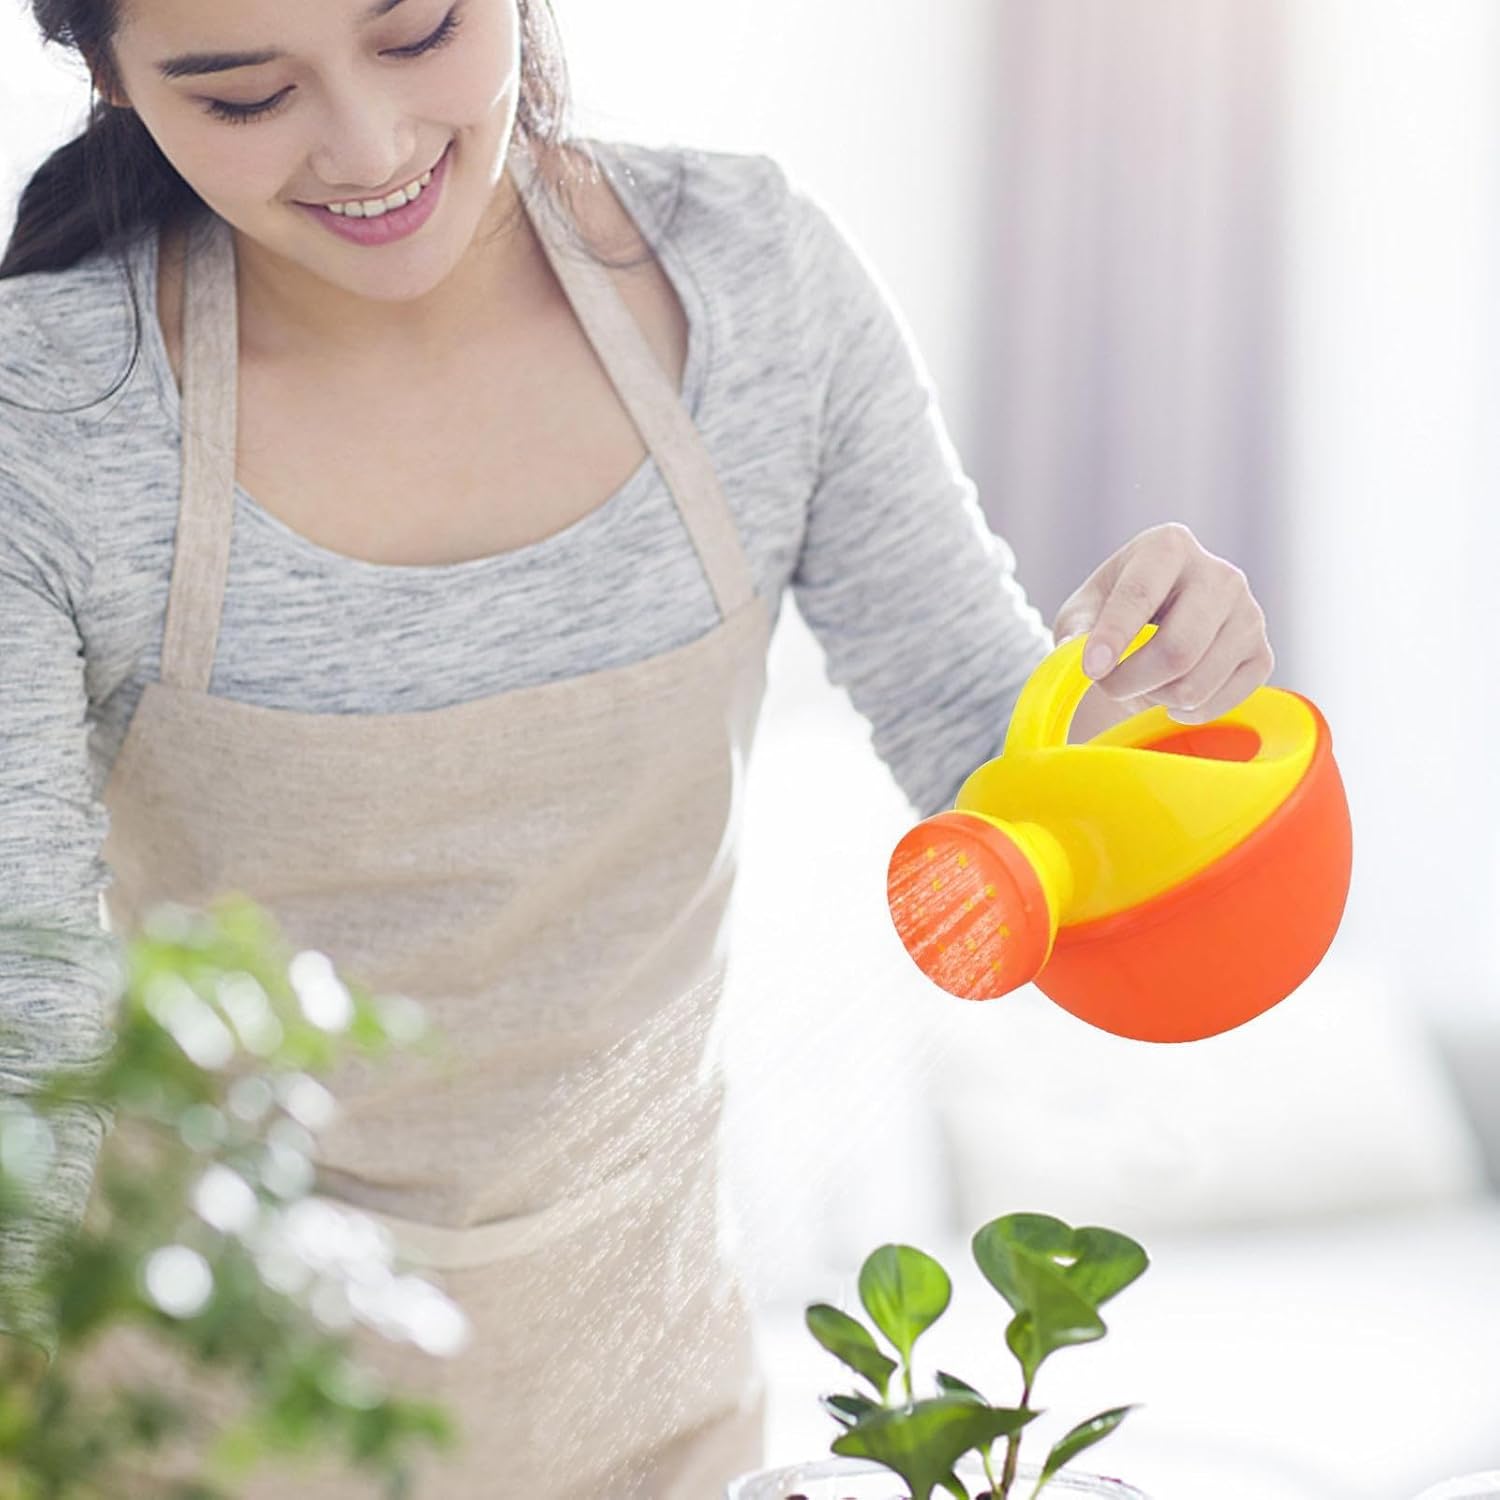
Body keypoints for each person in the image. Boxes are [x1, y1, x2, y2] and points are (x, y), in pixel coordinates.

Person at [0, 0, 1275, 1493]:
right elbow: (29, 1019)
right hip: (191, 1421)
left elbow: (992, 778)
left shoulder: (753, 281)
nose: (368, 146)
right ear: (111, 79)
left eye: (418, 34)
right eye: (244, 97)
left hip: (650, 1405)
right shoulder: (48, 416)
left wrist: (1142, 700)